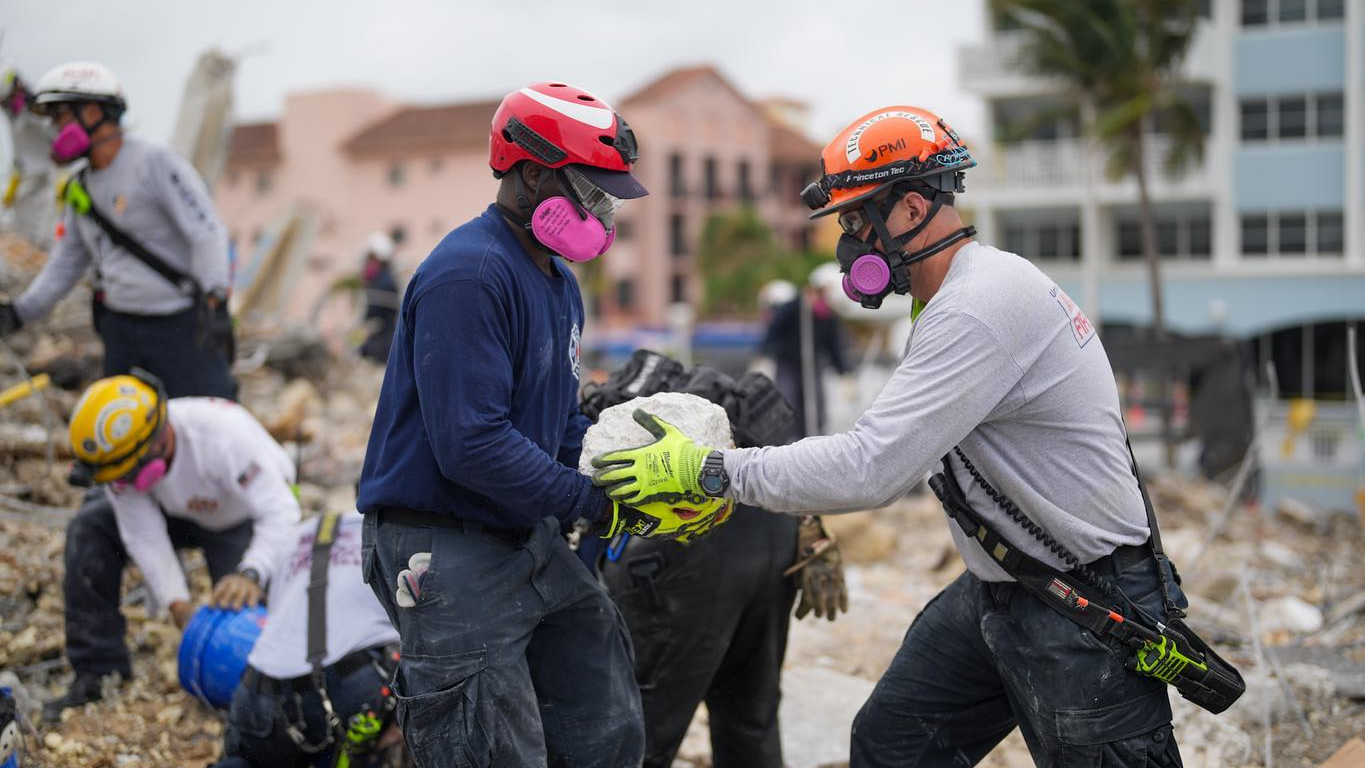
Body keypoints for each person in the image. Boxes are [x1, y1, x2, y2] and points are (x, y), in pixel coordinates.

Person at [591, 106, 1193, 767]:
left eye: (855, 221)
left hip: (1083, 606)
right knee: (894, 746)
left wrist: (714, 471)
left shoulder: (976, 308)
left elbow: (870, 468)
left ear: (908, 209)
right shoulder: (954, 298)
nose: (849, 245)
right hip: (1005, 585)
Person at [358, 82, 728, 768]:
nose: (603, 206)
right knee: (487, 746)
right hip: (443, 544)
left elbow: (555, 420)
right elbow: (471, 444)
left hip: (521, 532)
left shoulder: (555, 281)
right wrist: (590, 501)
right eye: (591, 187)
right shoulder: (468, 274)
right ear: (531, 174)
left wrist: (622, 485)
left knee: (604, 723)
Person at [579, 350, 846, 768]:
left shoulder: (595, 421)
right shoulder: (719, 412)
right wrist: (808, 524)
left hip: (682, 557)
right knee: (750, 721)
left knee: (639, 728)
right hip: (774, 532)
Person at [44, 369, 300, 720]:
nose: (123, 484)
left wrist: (252, 572)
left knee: (243, 618)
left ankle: (264, 696)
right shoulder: (122, 462)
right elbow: (144, 536)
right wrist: (177, 605)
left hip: (236, 516)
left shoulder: (223, 436)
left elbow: (282, 513)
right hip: (174, 511)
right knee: (89, 529)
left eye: (128, 475)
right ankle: (98, 671)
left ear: (160, 439)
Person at [0, 61, 236, 399]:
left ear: (94, 112)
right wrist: (20, 312)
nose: (53, 129)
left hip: (180, 329)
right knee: (126, 435)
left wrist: (216, 299)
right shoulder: (80, 186)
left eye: (61, 116)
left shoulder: (155, 163)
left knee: (197, 421)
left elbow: (206, 231)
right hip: (120, 332)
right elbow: (65, 265)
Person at [213, 512, 401, 768]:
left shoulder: (303, 531)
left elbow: (276, 615)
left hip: (255, 692)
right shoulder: (398, 533)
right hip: (345, 688)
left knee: (250, 759)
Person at [760, 263, 850, 436]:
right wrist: (764, 355)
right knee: (788, 401)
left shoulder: (826, 317)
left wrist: (844, 372)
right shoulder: (793, 308)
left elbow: (834, 345)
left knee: (815, 406)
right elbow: (773, 331)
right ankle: (787, 442)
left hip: (812, 363)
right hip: (788, 362)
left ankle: (813, 440)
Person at [0, 63, 61, 250]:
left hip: (53, 176)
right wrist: (15, 179)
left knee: (51, 229)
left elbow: (60, 144)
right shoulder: (14, 116)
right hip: (29, 177)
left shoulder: (41, 111)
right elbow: (20, 153)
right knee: (19, 222)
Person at [357, 232, 399, 363]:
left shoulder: (383, 284)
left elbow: (372, 318)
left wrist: (354, 339)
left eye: (370, 257)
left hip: (380, 345)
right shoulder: (382, 279)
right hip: (383, 341)